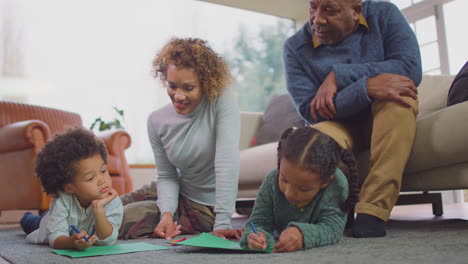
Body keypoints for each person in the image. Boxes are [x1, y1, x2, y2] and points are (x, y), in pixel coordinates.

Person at [283, 0, 422, 237]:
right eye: (313, 7)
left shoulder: (384, 14)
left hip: (385, 114)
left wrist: (340, 76)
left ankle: (372, 212)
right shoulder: (295, 47)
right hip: (338, 123)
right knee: (314, 139)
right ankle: (336, 210)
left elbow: (409, 69)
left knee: (400, 101)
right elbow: (310, 109)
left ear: (356, 11)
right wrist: (365, 88)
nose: (317, 19)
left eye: (329, 10)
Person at [119, 38, 242, 240]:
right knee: (111, 205)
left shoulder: (222, 100)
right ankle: (56, 219)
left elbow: (227, 163)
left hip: (204, 208)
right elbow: (167, 176)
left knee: (117, 218)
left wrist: (222, 223)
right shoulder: (156, 121)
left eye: (189, 87)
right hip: (175, 191)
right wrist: (166, 213)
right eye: (172, 86)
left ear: (206, 83)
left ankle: (63, 229)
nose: (178, 96)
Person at [240, 127, 359, 253]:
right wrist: (255, 236)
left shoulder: (336, 183)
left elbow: (332, 228)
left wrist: (302, 234)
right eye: (284, 180)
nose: (289, 193)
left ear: (325, 182)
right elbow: (259, 222)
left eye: (303, 189)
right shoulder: (271, 180)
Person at [19, 128, 123, 250]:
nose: (102, 180)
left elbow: (107, 240)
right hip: (48, 221)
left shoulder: (112, 200)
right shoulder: (62, 200)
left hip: (61, 215)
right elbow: (56, 239)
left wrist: (98, 210)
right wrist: (71, 242)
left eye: (103, 171)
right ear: (69, 188)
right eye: (90, 178)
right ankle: (26, 217)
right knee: (31, 223)